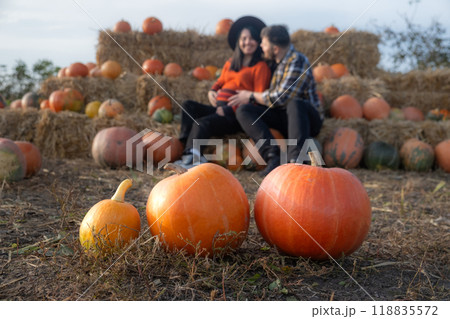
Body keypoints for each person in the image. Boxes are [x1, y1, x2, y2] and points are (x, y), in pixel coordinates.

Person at [174, 16, 271, 169]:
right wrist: (212, 91)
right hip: (220, 108)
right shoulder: (231, 63)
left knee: (202, 123)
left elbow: (258, 98)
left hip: (236, 115)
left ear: (259, 42)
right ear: (238, 41)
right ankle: (184, 148)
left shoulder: (260, 67)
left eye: (252, 38)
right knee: (188, 106)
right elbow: (220, 82)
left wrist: (227, 109)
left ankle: (193, 159)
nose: (247, 42)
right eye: (244, 38)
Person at [228, 24, 324, 176]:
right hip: (285, 117)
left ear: (275, 49)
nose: (261, 47)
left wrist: (250, 95)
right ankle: (273, 155)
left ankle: (297, 162)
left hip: (306, 119)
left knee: (295, 103)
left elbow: (281, 97)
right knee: (244, 110)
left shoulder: (297, 61)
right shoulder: (278, 64)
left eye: (264, 43)